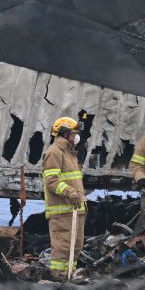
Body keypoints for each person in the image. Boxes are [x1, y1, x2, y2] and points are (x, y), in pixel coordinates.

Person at [41, 117, 86, 280]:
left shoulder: (70, 153)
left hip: (75, 210)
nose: (76, 136)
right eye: (73, 133)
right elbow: (51, 181)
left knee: (76, 246)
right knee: (63, 249)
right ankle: (58, 279)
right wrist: (70, 192)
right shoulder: (54, 152)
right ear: (64, 134)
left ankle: (69, 277)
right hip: (62, 212)